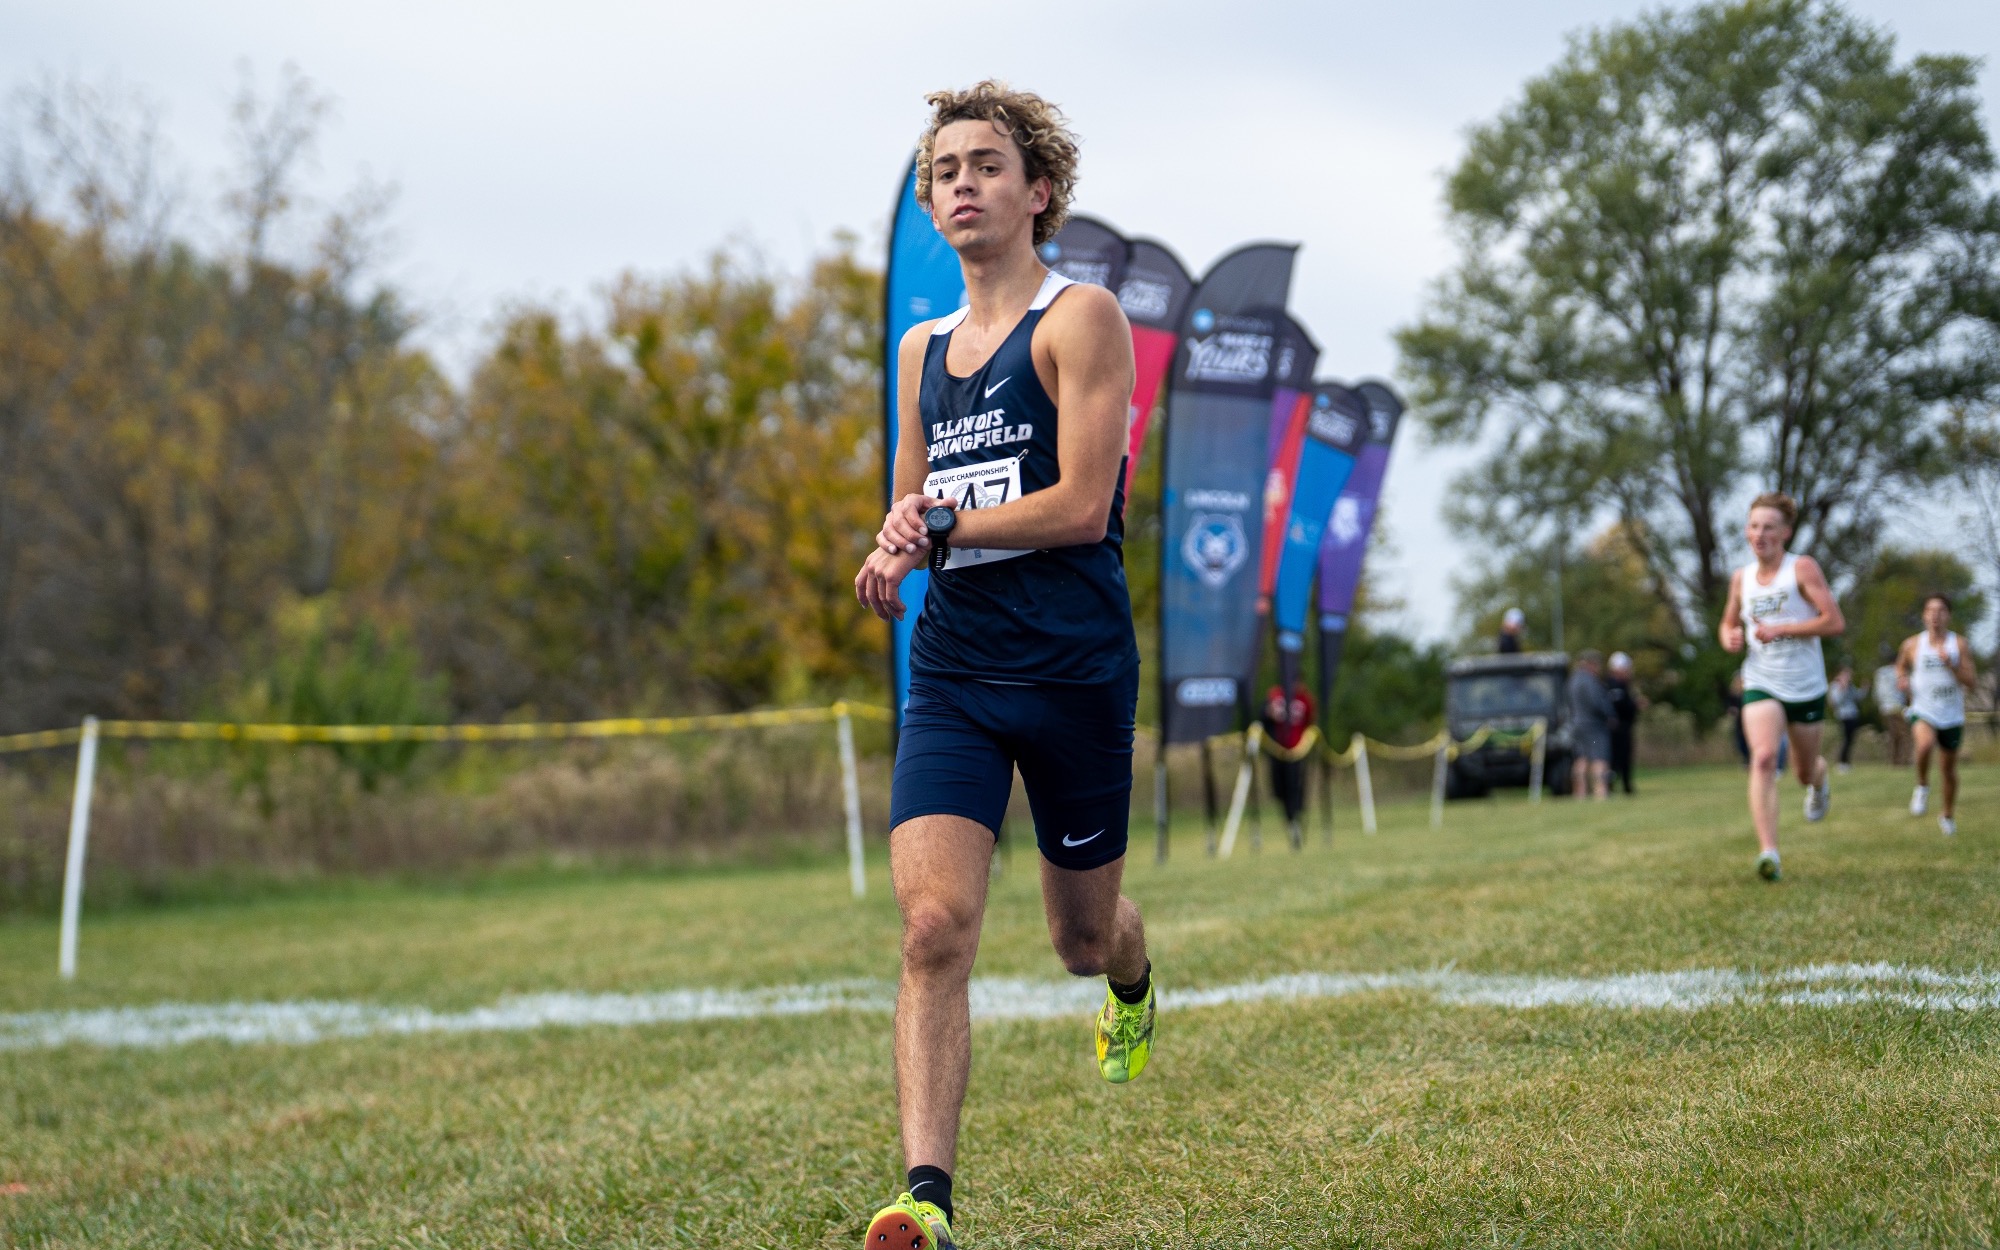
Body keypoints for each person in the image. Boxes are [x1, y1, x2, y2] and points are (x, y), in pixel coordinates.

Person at [852, 82, 1148, 1250]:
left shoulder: (1083, 320)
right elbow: (914, 499)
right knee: (932, 925)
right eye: (944, 170)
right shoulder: (922, 349)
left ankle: (1131, 977)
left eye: (985, 164)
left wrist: (938, 530)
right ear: (931, 204)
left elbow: (1081, 505)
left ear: (1037, 192)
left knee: (1078, 939)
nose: (962, 182)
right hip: (956, 672)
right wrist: (892, 537)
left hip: (1073, 669)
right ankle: (925, 1194)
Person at [1718, 491, 1844, 882]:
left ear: (1785, 532)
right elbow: (1727, 624)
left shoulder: (1801, 569)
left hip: (1805, 685)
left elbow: (1833, 622)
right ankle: (1769, 851)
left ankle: (1819, 783)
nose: (1760, 534)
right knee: (1762, 758)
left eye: (1769, 526)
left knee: (1804, 771)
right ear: (1746, 532)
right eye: (1754, 526)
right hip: (1761, 679)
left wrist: (1784, 628)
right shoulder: (1741, 578)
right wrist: (1730, 638)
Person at [1897, 594, 1979, 836]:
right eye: (1930, 610)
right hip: (1924, 709)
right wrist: (1901, 679)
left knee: (1948, 770)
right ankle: (1922, 786)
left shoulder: (1959, 644)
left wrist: (1951, 665)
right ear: (1923, 615)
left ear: (1948, 615)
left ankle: (1947, 815)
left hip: (1951, 714)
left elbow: (1971, 681)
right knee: (1924, 745)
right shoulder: (1912, 644)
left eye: (1941, 610)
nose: (1935, 615)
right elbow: (1900, 666)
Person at [1260, 682, 1315, 848]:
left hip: (1297, 752)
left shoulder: (1305, 699)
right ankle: (1290, 821)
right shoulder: (1274, 695)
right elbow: (1261, 718)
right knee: (1280, 791)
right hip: (1277, 752)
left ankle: (1296, 820)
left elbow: (1310, 723)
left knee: (1296, 789)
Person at [1567, 650, 1613, 800]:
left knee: (1581, 759)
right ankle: (1601, 792)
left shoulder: (1572, 680)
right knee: (1599, 758)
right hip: (1594, 726)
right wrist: (1610, 714)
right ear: (1592, 664)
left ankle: (1579, 793)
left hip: (1576, 724)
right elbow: (1597, 703)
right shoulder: (1590, 681)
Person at [1604, 651, 1644, 795]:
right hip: (1618, 729)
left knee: (1624, 758)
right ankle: (1614, 785)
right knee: (1617, 759)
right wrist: (1634, 705)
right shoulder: (1614, 685)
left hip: (1623, 727)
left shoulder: (1621, 685)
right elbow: (1619, 706)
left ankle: (1624, 785)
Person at [1873, 653, 1911, 766]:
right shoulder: (1899, 671)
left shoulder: (1880, 672)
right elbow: (1905, 688)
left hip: (1884, 707)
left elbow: (1876, 692)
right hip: (1897, 706)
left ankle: (1893, 760)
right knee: (1903, 735)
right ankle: (1903, 761)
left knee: (1892, 734)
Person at [1828, 665, 1861, 773]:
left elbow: (1857, 697)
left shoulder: (1851, 686)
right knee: (1845, 739)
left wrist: (1865, 689)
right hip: (1843, 716)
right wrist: (1842, 688)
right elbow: (1836, 702)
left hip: (1853, 714)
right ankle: (1841, 763)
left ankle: (1847, 762)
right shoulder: (1835, 686)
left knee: (1851, 740)